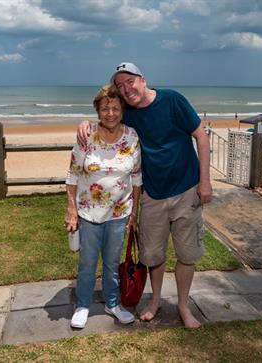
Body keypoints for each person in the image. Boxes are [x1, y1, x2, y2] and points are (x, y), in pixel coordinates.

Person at [78, 62, 212, 328]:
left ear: (143, 79)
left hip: (186, 190)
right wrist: (85, 122)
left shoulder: (172, 100)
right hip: (152, 194)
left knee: (187, 254)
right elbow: (108, 116)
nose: (126, 89)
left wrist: (204, 181)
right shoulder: (128, 113)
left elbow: (201, 136)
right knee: (153, 255)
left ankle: (184, 307)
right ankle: (155, 301)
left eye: (130, 82)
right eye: (120, 85)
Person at [65, 84, 142, 329]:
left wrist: (134, 213)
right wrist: (71, 210)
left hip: (120, 213)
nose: (111, 113)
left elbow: (137, 177)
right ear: (98, 111)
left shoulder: (132, 137)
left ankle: (112, 302)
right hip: (88, 213)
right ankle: (83, 305)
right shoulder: (86, 136)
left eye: (116, 108)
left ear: (122, 111)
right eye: (105, 108)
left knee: (111, 262)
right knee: (87, 263)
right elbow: (73, 175)